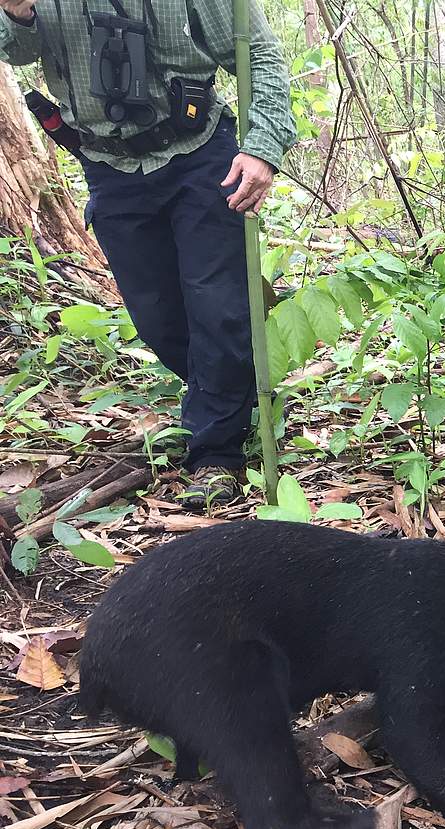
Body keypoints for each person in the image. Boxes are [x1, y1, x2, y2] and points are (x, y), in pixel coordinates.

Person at [1, 0, 295, 510]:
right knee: (157, 316)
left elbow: (260, 55)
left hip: (200, 152)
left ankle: (217, 454)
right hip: (107, 163)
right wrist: (19, 14)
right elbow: (18, 51)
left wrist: (263, 146)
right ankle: (232, 397)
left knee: (217, 306)